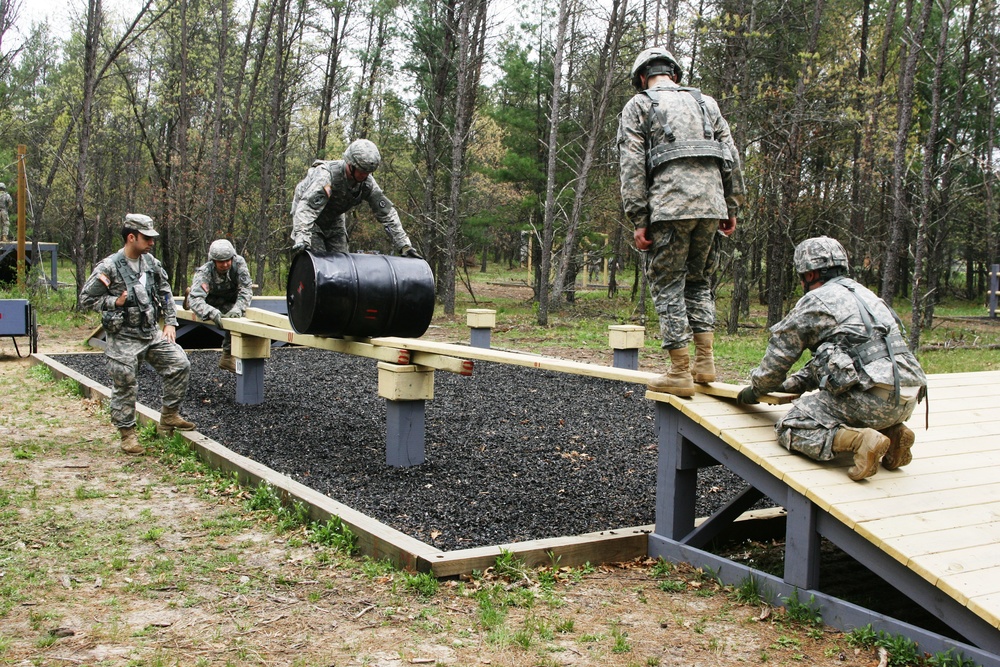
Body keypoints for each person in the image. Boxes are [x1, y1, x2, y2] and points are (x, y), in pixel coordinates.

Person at [736, 236, 927, 482]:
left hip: (872, 399)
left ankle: (861, 441)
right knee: (864, 404)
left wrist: (757, 390)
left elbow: (777, 360)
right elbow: (840, 357)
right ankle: (894, 432)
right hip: (907, 398)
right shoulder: (866, 295)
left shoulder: (815, 301)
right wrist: (794, 384)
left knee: (792, 425)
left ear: (810, 274)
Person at [618, 47, 745, 396]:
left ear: (643, 77)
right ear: (673, 74)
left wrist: (638, 217)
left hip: (669, 208)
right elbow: (731, 157)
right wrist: (731, 207)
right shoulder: (708, 104)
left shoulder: (639, 105)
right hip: (711, 207)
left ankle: (679, 372)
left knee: (667, 283)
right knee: (699, 281)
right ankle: (705, 363)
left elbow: (631, 166)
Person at [80, 214, 196, 454]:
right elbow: (86, 299)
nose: (151, 242)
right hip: (123, 335)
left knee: (179, 363)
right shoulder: (110, 266)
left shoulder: (151, 263)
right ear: (131, 237)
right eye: (146, 238)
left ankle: (169, 416)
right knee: (124, 380)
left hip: (150, 332)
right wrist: (114, 302)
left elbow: (165, 292)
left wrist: (170, 322)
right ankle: (127, 434)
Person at [290, 139, 421, 258]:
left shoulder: (367, 184)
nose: (365, 175)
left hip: (334, 219)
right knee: (318, 263)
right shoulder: (326, 176)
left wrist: (404, 245)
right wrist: (302, 237)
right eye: (361, 171)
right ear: (351, 164)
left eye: (368, 172)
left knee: (342, 265)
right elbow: (307, 208)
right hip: (310, 220)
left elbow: (387, 213)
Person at [185, 239, 253, 372]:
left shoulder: (238, 263)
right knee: (195, 299)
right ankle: (190, 292)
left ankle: (227, 356)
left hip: (230, 299)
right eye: (221, 261)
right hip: (211, 300)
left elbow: (246, 288)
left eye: (228, 260)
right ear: (213, 261)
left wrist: (238, 308)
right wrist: (211, 312)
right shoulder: (205, 271)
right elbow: (197, 300)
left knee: (239, 317)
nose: (225, 264)